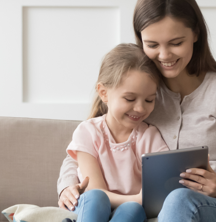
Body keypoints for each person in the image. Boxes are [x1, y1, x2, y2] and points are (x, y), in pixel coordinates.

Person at [58, 0, 216, 221]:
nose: (164, 55)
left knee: (180, 199)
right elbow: (85, 147)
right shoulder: (143, 95)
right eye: (152, 45)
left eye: (176, 43)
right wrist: (67, 186)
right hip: (172, 212)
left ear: (196, 34)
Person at [62, 43, 169, 222]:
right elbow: (96, 192)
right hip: (92, 208)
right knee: (97, 198)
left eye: (149, 100)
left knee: (133, 209)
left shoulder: (150, 137)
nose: (140, 108)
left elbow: (158, 190)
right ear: (104, 93)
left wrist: (137, 202)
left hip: (130, 212)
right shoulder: (88, 132)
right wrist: (138, 198)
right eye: (130, 98)